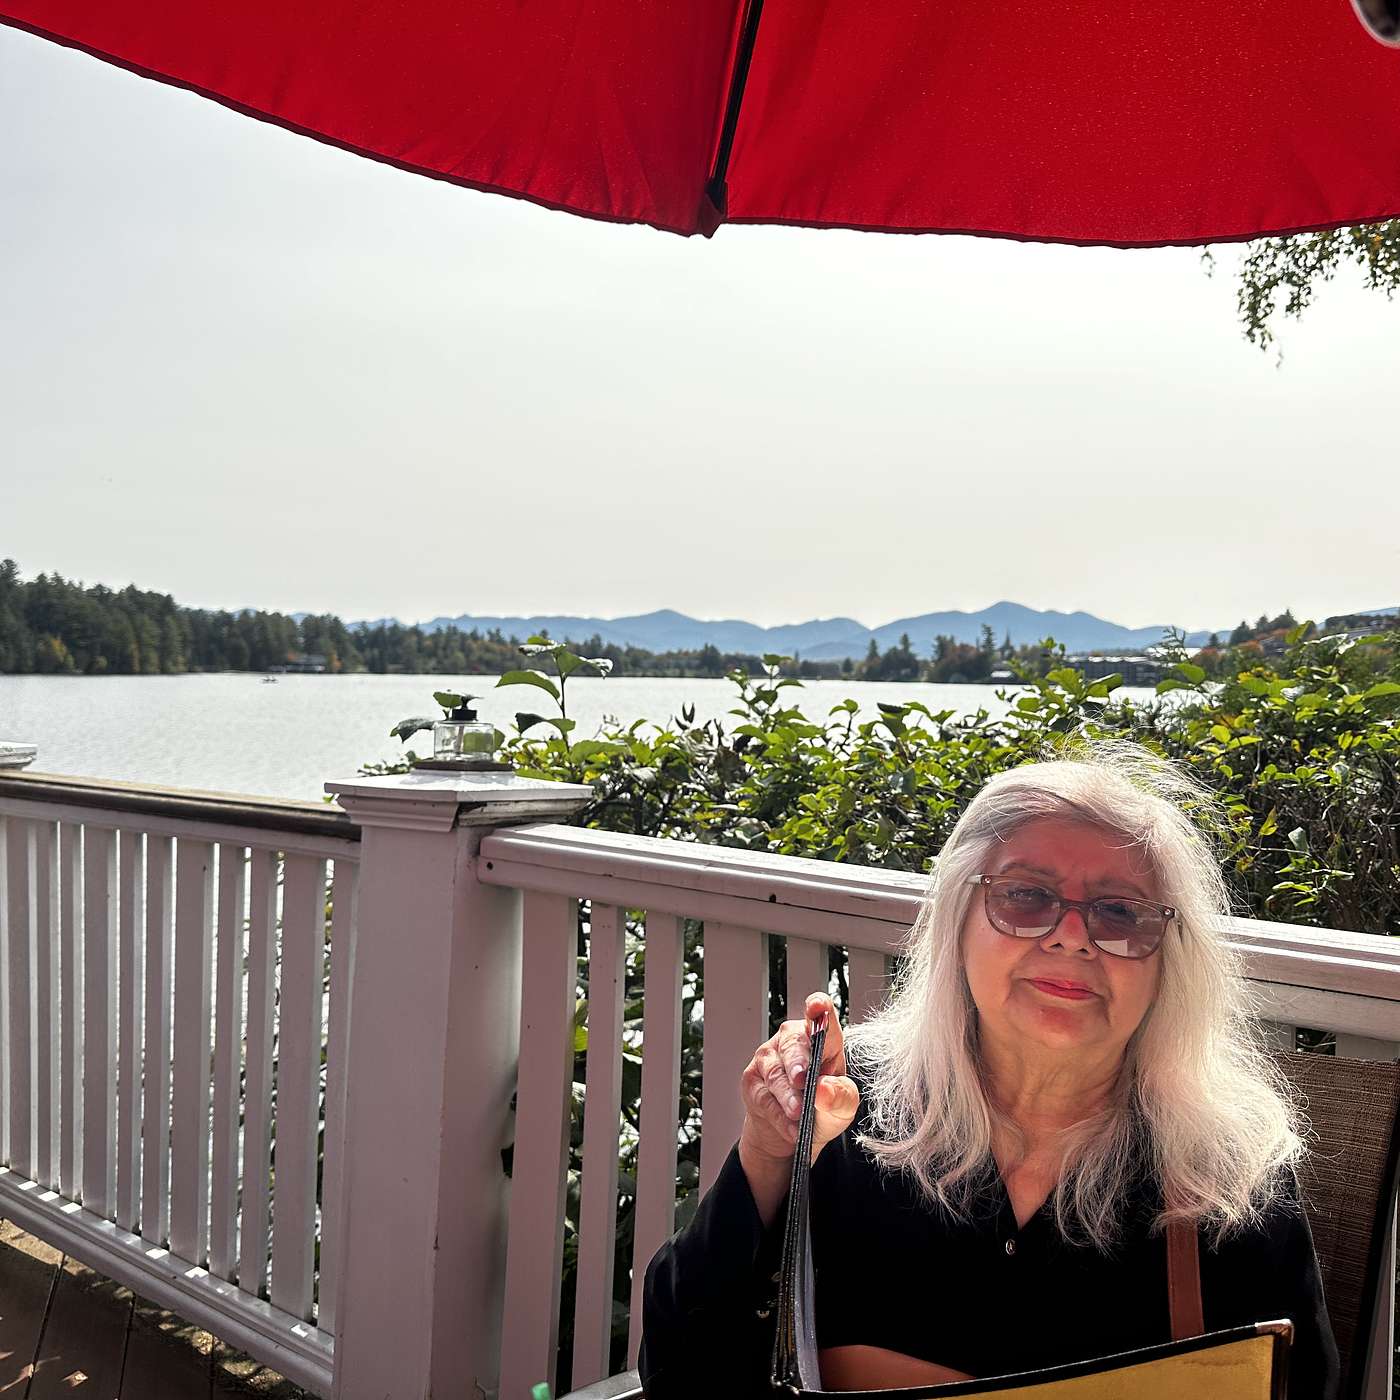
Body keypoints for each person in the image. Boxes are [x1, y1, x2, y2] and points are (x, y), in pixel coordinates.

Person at [640, 743, 1339, 1397]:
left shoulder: (1222, 1174)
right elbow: (680, 1369)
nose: (1072, 937)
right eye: (1026, 896)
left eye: (1120, 913)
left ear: (1169, 960)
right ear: (957, 920)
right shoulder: (847, 1113)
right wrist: (769, 1154)